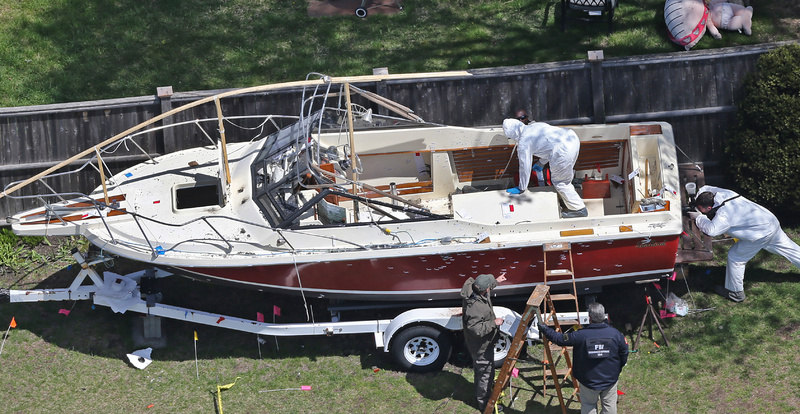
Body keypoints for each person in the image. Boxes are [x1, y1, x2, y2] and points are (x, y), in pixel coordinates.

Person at [688, 185, 800, 302]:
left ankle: (735, 293)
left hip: (760, 234)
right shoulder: (722, 193)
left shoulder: (724, 215)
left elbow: (712, 230)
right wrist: (695, 199)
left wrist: (700, 217)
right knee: (790, 249)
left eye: (701, 209)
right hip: (770, 222)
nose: (699, 210)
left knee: (735, 257)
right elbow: (704, 187)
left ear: (710, 207)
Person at [538, 302, 628, 414]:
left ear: (589, 318)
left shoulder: (580, 335)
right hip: (610, 379)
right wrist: (618, 368)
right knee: (610, 407)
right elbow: (624, 353)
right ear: (603, 316)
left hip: (588, 381)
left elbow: (560, 339)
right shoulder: (615, 334)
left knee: (589, 405)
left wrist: (545, 329)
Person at [502, 119, 587, 218]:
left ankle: (579, 209)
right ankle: (569, 201)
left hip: (563, 150)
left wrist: (521, 187)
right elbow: (548, 144)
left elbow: (525, 166)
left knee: (561, 181)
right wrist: (541, 163)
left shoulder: (524, 142)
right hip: (571, 138)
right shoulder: (534, 126)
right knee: (565, 175)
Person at [461, 272, 507, 412]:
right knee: (485, 374)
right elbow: (476, 329)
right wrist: (494, 323)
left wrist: (496, 281)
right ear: (484, 289)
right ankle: (485, 405)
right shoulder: (474, 307)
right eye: (489, 286)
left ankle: (481, 395)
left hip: (484, 342)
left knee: (483, 372)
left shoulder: (475, 290)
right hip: (480, 345)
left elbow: (486, 291)